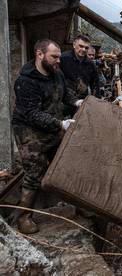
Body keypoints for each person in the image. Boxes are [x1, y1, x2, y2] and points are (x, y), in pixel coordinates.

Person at [12, 39, 82, 234]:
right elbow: (31, 113)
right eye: (54, 57)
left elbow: (65, 94)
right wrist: (60, 124)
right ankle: (23, 216)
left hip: (51, 123)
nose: (58, 61)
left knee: (68, 158)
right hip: (28, 128)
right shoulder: (25, 81)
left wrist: (77, 102)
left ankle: (79, 204)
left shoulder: (56, 74)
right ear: (39, 54)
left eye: (59, 57)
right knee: (35, 169)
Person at [60, 34, 102, 100]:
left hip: (82, 100)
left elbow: (95, 85)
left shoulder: (90, 64)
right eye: (81, 46)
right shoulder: (63, 58)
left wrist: (96, 102)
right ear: (74, 45)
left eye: (86, 48)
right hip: (64, 99)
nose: (84, 49)